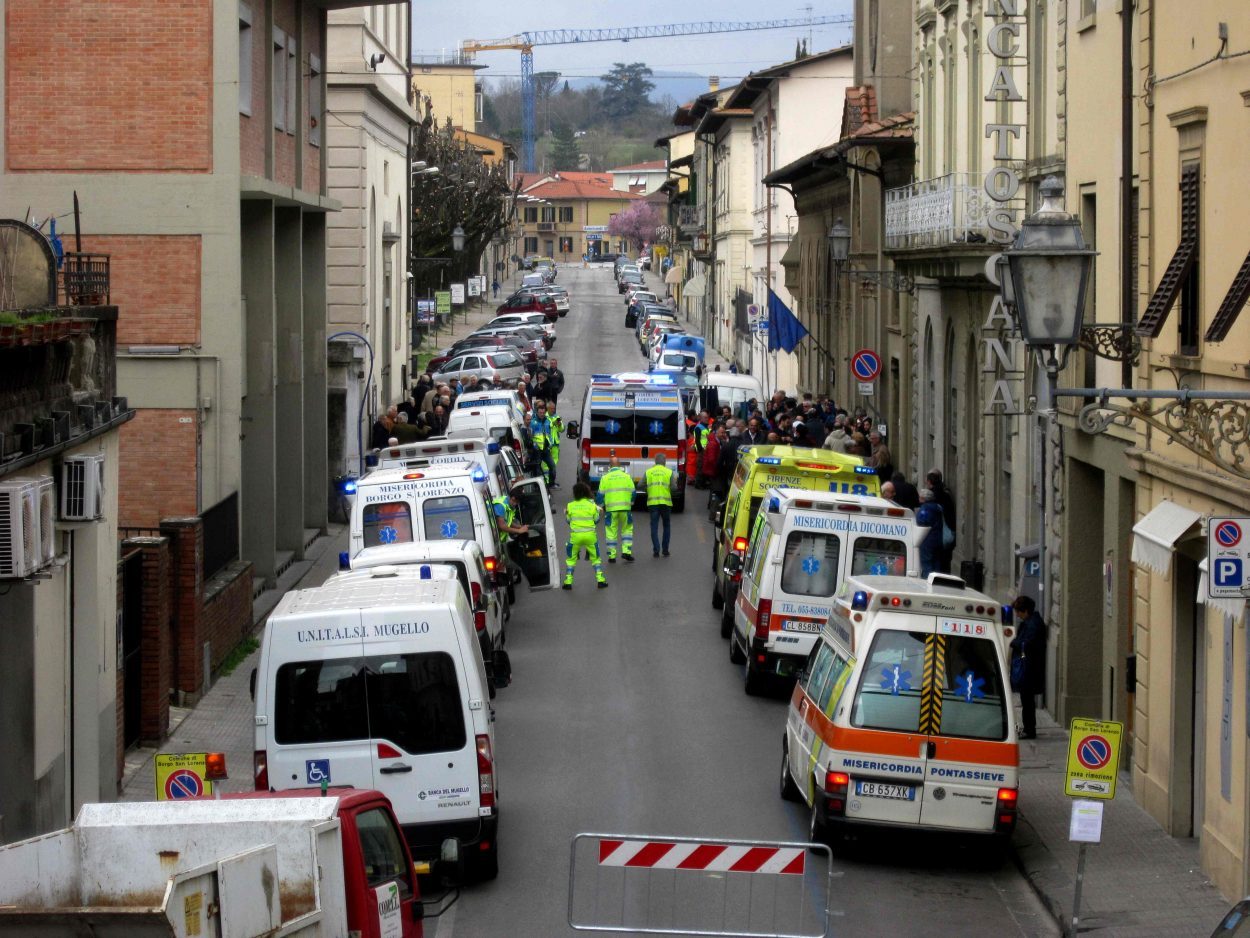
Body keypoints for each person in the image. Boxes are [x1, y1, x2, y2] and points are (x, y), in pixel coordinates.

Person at [1010, 595, 1047, 739]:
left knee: (1027, 701)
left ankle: (1029, 730)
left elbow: (1026, 643)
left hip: (1030, 668)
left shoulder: (1033, 625)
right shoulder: (1031, 622)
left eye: (1018, 612)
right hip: (1030, 667)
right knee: (1026, 701)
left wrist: (1014, 643)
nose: (1017, 615)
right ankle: (1028, 728)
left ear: (1025, 611)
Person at [563, 482, 607, 590]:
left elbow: (568, 521)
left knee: (571, 559)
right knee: (596, 559)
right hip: (590, 536)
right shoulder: (592, 505)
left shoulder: (570, 505)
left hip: (576, 537)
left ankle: (568, 582)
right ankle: (600, 580)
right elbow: (596, 520)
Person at [597, 456, 636, 562]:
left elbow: (600, 495)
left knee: (611, 532)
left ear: (610, 466)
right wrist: (631, 503)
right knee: (627, 530)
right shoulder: (627, 477)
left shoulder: (605, 478)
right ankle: (626, 552)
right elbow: (633, 492)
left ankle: (612, 556)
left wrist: (600, 507)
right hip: (625, 509)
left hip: (611, 510)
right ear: (619, 465)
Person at [645, 452, 674, 557]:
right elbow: (674, 488)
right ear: (664, 462)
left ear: (655, 461)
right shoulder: (669, 472)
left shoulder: (649, 472)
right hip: (666, 503)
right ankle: (665, 550)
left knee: (654, 526)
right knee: (666, 525)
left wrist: (648, 489)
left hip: (652, 504)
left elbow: (640, 485)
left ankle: (656, 550)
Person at [915, 488, 946, 577]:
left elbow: (922, 521)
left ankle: (927, 582)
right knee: (936, 563)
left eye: (920, 497)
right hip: (938, 538)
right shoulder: (938, 507)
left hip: (927, 539)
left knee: (927, 563)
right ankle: (937, 581)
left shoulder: (926, 508)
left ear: (923, 498)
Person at [529, 399, 558, 487]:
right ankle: (538, 487)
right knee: (538, 469)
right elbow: (530, 436)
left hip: (546, 449)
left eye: (543, 412)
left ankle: (551, 484)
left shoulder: (547, 421)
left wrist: (551, 444)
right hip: (537, 450)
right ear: (537, 413)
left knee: (552, 467)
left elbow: (550, 434)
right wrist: (534, 445)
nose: (542, 414)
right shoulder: (533, 423)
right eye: (540, 413)